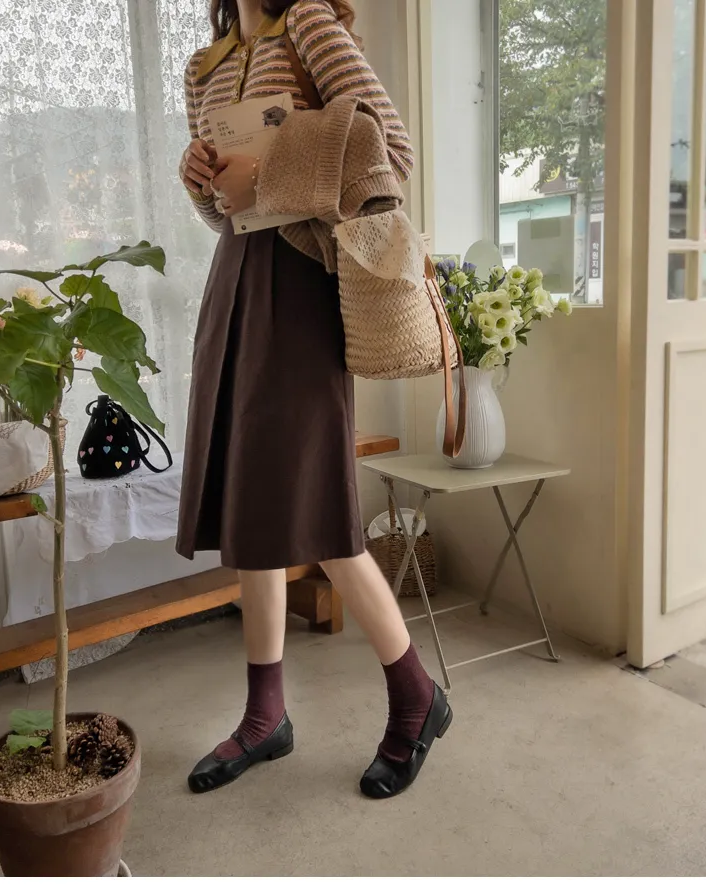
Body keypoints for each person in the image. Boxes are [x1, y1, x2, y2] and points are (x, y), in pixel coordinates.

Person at [175, 0, 451, 800]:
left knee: (316, 506)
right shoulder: (204, 65)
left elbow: (389, 150)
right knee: (251, 505)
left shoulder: (308, 25)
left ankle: (417, 696)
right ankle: (266, 716)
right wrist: (203, 184)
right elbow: (225, 212)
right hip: (234, 281)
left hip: (301, 287)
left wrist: (267, 176)